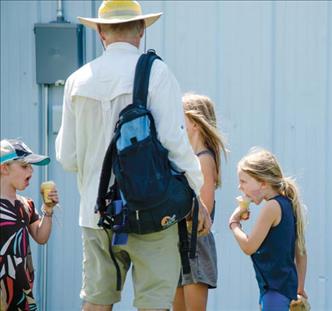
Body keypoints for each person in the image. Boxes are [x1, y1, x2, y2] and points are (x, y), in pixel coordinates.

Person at [55, 1, 211, 310]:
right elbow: (174, 143)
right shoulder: (156, 73)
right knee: (153, 304)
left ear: (100, 32)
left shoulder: (77, 80)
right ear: (141, 29)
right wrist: (195, 197)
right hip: (152, 213)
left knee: (97, 302)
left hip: (96, 213)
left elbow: (67, 157)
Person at [229, 148, 308, 311]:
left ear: (263, 183)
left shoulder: (272, 207)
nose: (239, 187)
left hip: (274, 294)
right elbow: (301, 252)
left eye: (243, 181)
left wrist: (234, 223)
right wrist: (299, 289)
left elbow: (249, 246)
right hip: (285, 292)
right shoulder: (287, 204)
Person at [173, 94, 227, 311]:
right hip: (178, 244)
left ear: (194, 123)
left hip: (195, 246)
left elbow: (205, 208)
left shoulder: (204, 159)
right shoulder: (188, 157)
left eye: (181, 118)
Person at [0, 139, 59, 310]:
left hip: (22, 292)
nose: (31, 171)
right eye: (25, 166)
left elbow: (41, 237)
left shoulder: (26, 204)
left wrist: (48, 209)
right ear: (4, 168)